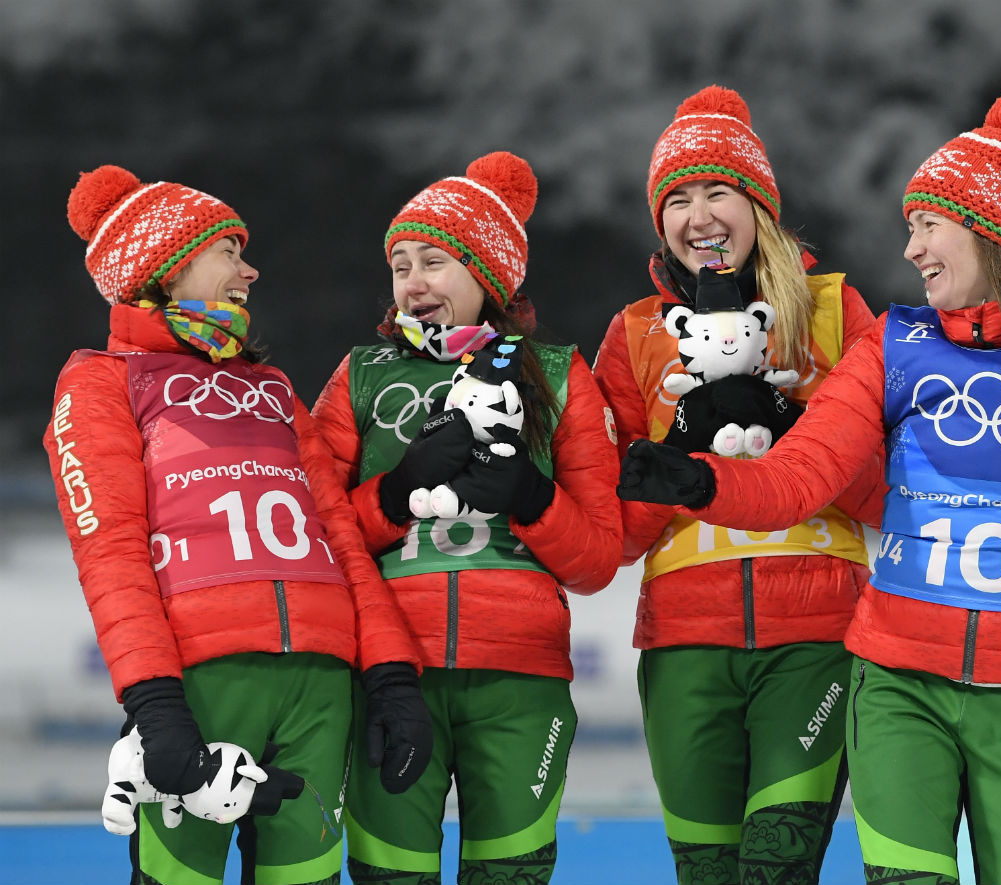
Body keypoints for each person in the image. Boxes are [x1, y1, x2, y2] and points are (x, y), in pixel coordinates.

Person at [617, 92, 1001, 883]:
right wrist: (697, 479)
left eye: (927, 225)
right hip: (896, 688)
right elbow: (799, 478)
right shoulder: (894, 344)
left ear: (989, 229)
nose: (911, 249)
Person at [45, 165, 433, 884]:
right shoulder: (101, 380)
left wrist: (391, 675)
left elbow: (341, 541)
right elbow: (113, 557)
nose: (249, 270)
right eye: (230, 250)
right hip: (201, 683)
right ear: (167, 266)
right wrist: (155, 703)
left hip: (320, 683)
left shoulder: (273, 387)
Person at [592, 84, 885, 885]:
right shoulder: (633, 335)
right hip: (686, 644)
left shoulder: (832, 311)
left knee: (774, 873)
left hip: (817, 637)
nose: (700, 216)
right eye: (677, 199)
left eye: (719, 190)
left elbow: (891, 491)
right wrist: (680, 453)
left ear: (759, 203)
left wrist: (796, 430)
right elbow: (613, 533)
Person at [311, 150, 622, 885]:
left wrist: (531, 496)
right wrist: (398, 491)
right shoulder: (362, 373)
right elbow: (316, 535)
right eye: (400, 266)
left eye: (435, 262)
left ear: (489, 275)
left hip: (521, 676)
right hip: (393, 673)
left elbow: (599, 558)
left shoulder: (556, 373)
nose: (412, 283)